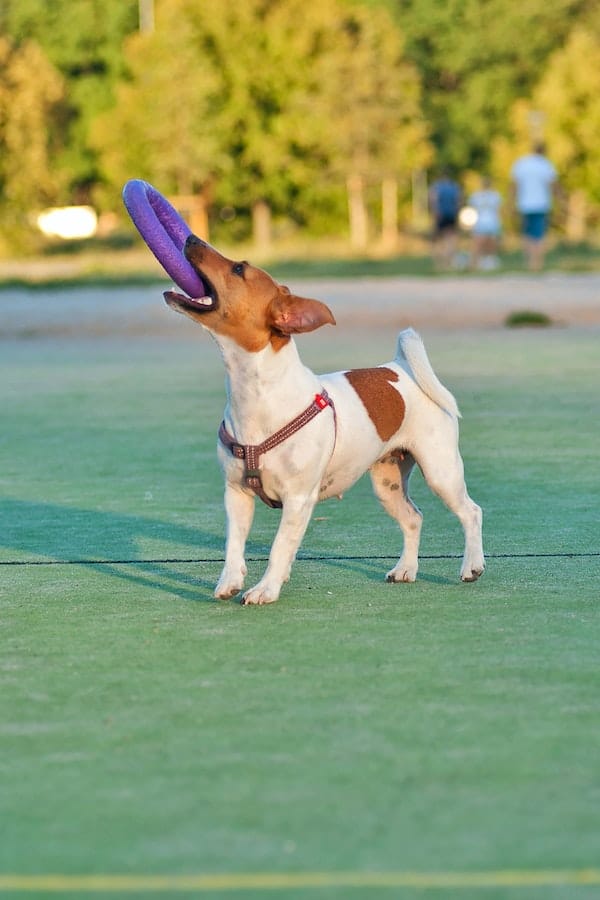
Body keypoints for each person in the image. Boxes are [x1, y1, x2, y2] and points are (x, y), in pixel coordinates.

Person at [510, 143, 557, 271]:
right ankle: (537, 264)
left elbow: (514, 185)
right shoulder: (546, 164)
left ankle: (528, 262)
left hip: (524, 204)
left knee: (527, 234)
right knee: (539, 235)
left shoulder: (521, 163)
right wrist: (560, 199)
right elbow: (552, 185)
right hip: (541, 204)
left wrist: (511, 203)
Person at [429, 170, 462, 269]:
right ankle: (449, 261)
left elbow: (433, 200)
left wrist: (434, 212)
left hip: (440, 215)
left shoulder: (437, 186)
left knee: (438, 239)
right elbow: (459, 201)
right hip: (452, 214)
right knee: (451, 238)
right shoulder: (454, 186)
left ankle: (440, 263)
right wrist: (457, 213)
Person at [469, 176, 502, 270]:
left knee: (490, 244)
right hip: (482, 222)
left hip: (491, 222)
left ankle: (488, 261)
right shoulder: (477, 196)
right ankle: (476, 263)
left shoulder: (495, 195)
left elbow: (498, 210)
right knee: (479, 244)